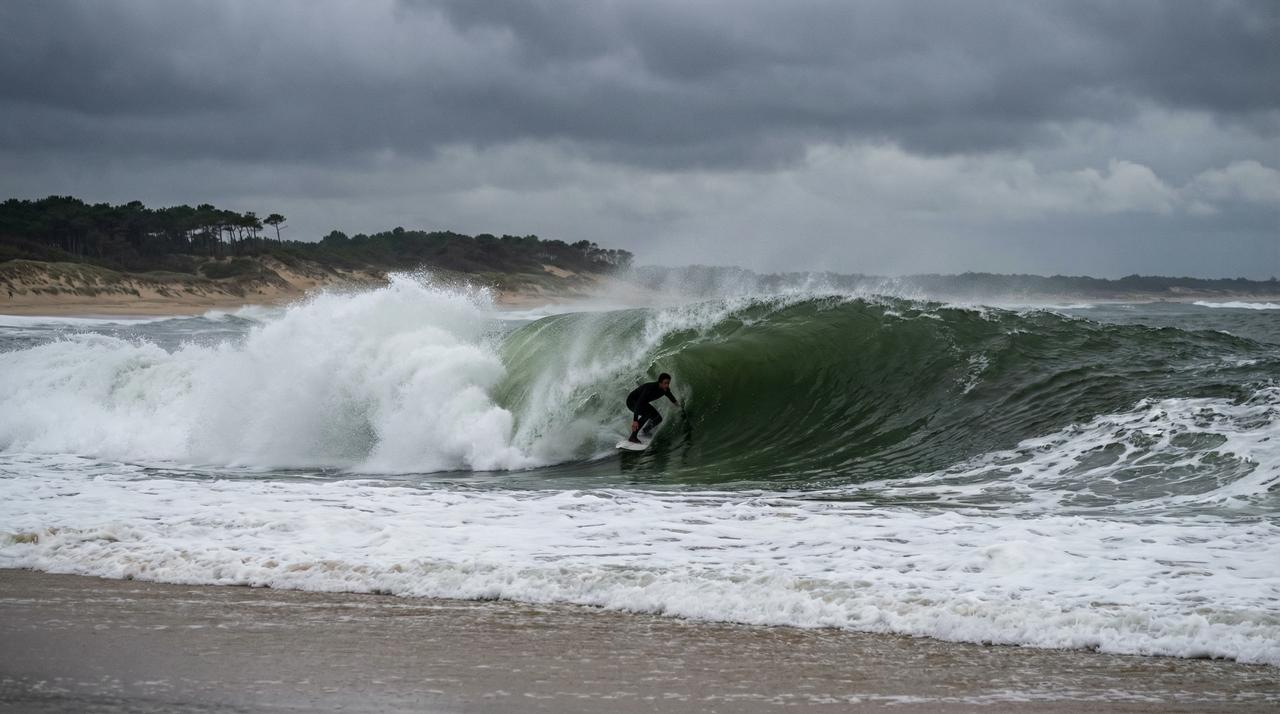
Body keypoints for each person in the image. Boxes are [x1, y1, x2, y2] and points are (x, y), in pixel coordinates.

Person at [626, 373, 680, 444]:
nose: (667, 385)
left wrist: (679, 407)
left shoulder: (665, 389)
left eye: (668, 383)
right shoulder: (649, 388)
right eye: (665, 383)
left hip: (643, 403)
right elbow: (639, 403)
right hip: (632, 402)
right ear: (660, 382)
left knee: (658, 418)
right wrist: (635, 420)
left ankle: (645, 431)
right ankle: (633, 437)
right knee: (646, 414)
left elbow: (672, 398)